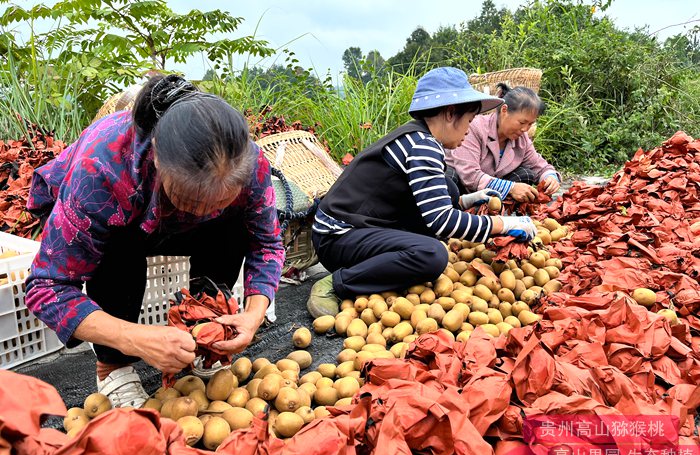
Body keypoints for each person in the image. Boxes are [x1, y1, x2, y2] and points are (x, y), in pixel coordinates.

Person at [24, 74, 284, 408]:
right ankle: (112, 365)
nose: (202, 211)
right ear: (158, 158)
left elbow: (266, 244)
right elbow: (47, 288)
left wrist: (253, 314)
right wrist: (133, 339)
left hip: (170, 224)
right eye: (188, 199)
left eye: (216, 202)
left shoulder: (249, 165)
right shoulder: (103, 171)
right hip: (112, 221)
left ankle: (205, 332)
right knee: (120, 243)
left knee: (233, 227)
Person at [307, 67, 538, 318]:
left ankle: (376, 267)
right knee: (432, 255)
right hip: (338, 237)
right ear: (451, 114)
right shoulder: (423, 145)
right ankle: (336, 284)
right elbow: (441, 222)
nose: (470, 130)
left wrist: (463, 202)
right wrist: (503, 224)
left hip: (363, 225)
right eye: (469, 122)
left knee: (448, 188)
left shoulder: (420, 136)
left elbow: (430, 202)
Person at [445, 83, 561, 203]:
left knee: (526, 174)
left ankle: (499, 209)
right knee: (449, 178)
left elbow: (538, 165)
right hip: (461, 188)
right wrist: (511, 188)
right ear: (504, 110)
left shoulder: (521, 139)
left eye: (530, 124)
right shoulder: (474, 128)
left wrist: (550, 177)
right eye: (522, 122)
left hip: (490, 189)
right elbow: (470, 176)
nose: (525, 129)